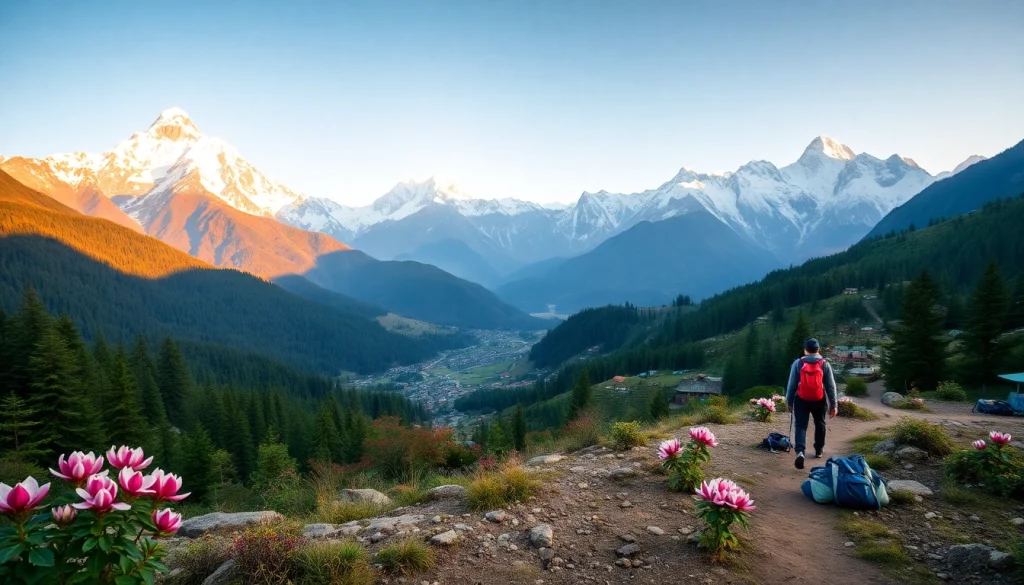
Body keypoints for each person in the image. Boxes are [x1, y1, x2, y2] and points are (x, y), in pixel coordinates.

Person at [785, 338, 837, 470]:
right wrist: (833, 405)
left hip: (801, 399)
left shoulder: (798, 363)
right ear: (818, 350)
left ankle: (800, 451)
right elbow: (831, 386)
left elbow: (791, 385)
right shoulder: (824, 364)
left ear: (805, 350)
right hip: (819, 399)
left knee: (801, 425)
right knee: (820, 423)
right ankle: (819, 450)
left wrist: (789, 401)